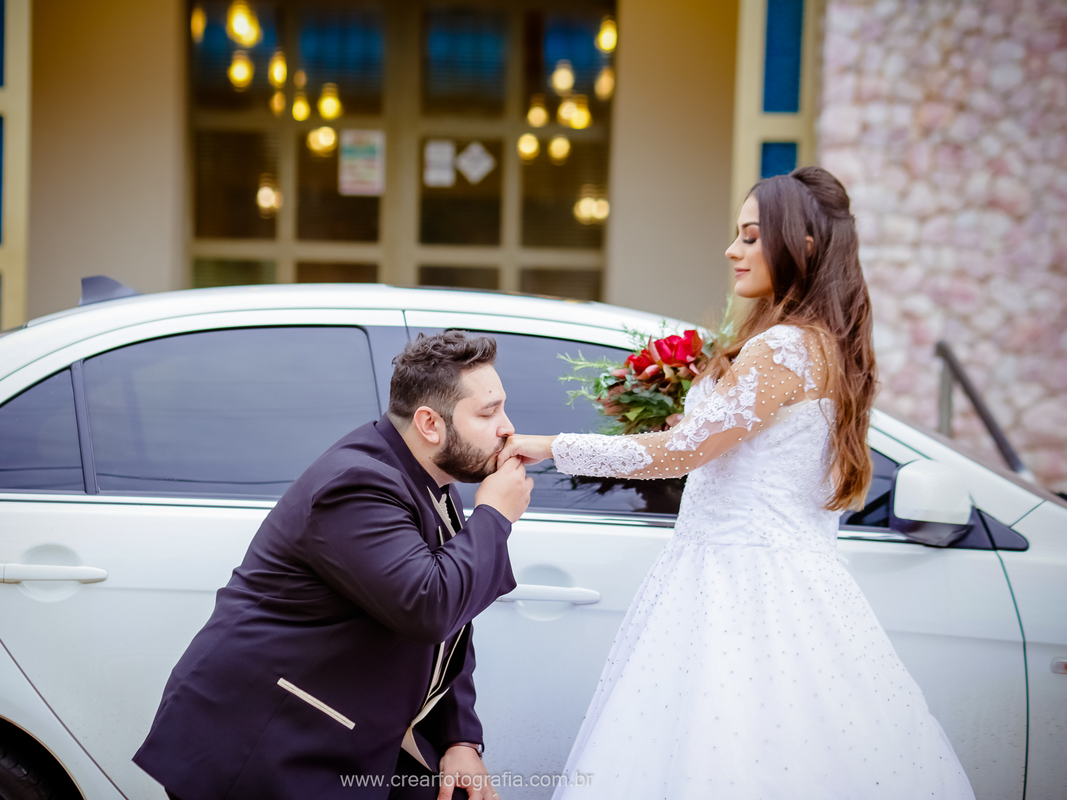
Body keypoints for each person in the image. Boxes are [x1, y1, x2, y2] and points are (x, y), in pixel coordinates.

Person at [501, 167, 976, 798]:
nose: (732, 250)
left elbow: (681, 454)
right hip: (789, 586)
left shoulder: (780, 349)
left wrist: (550, 446)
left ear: (802, 245)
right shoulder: (825, 346)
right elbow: (739, 449)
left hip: (740, 591)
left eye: (751, 236)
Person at [134, 332, 532, 800]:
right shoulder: (358, 483)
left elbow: (452, 620)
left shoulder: (431, 478)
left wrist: (459, 739)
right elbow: (429, 606)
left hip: (346, 728)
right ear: (429, 424)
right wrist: (495, 515)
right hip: (264, 740)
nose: (507, 428)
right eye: (488, 413)